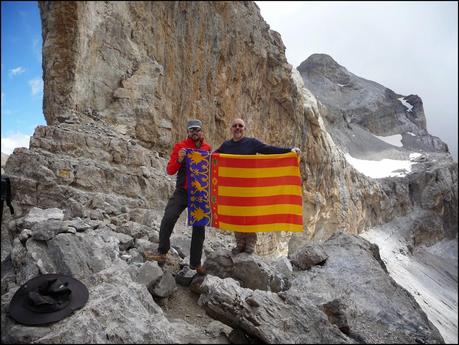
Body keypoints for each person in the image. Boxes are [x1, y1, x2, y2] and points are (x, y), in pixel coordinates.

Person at [214, 118, 301, 255]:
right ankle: (239, 244)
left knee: (249, 215)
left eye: (240, 126)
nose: (237, 128)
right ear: (231, 129)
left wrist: (289, 151)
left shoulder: (252, 143)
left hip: (250, 188)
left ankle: (250, 244)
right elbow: (213, 157)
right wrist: (198, 157)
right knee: (236, 215)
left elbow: (268, 150)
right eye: (235, 126)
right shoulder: (226, 145)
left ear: (244, 129)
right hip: (234, 189)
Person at [145, 119, 212, 275]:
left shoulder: (207, 149)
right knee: (169, 217)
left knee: (199, 227)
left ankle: (195, 264)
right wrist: (179, 159)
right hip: (182, 190)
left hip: (199, 193)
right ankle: (162, 252)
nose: (194, 132)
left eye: (197, 129)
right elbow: (170, 170)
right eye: (191, 130)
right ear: (188, 132)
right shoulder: (180, 147)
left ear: (201, 132)